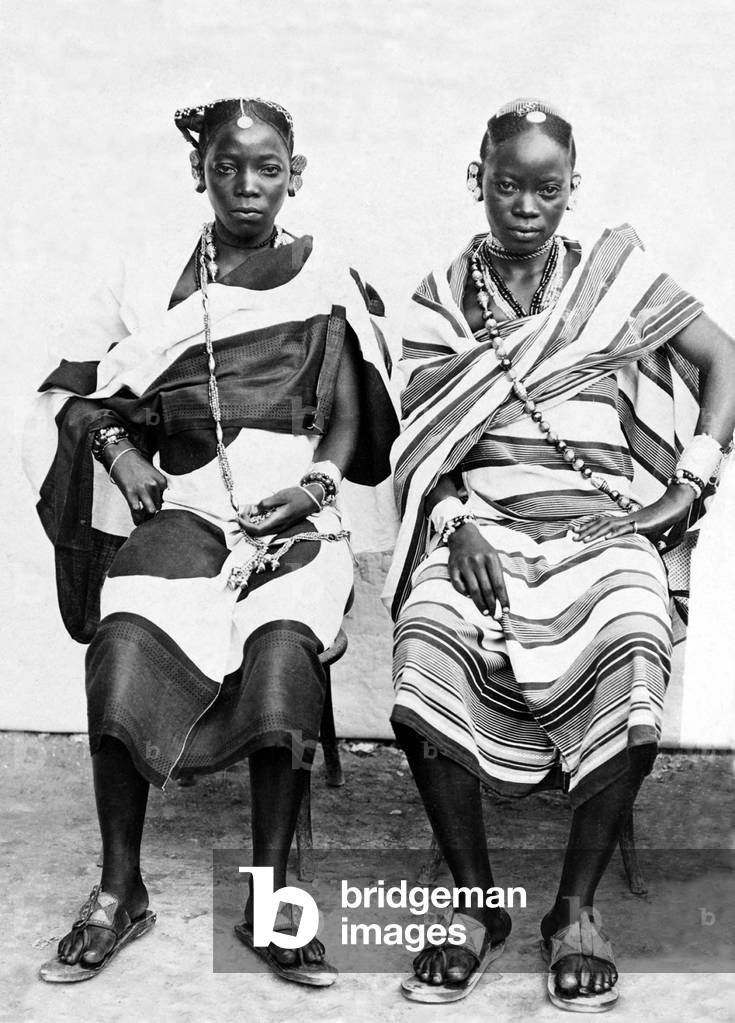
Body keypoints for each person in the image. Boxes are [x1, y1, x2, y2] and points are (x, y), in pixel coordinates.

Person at [25, 96, 398, 986]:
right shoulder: (151, 275)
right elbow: (73, 395)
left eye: (266, 167)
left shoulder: (328, 277)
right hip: (188, 508)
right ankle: (122, 886)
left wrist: (309, 490)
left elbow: (349, 426)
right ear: (199, 173)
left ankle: (272, 896)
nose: (245, 184)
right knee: (122, 631)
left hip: (298, 514)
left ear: (294, 176)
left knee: (282, 649)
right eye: (226, 166)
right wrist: (119, 456)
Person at [383, 97, 735, 1009]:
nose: (526, 206)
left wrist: (686, 484)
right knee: (425, 630)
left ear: (572, 190)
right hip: (485, 530)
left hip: (597, 525)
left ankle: (571, 910)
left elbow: (725, 359)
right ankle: (471, 904)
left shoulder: (616, 278)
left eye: (547, 188)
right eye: (508, 185)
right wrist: (454, 524)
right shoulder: (436, 299)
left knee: (630, 624)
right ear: (478, 181)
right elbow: (421, 443)